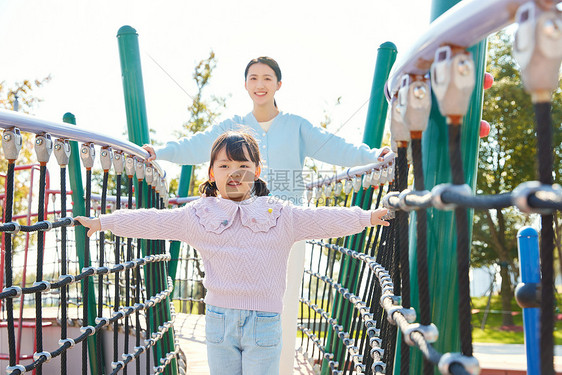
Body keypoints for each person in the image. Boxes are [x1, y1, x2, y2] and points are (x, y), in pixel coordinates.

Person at [143, 56, 390, 372]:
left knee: (280, 310)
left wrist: (372, 155)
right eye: (253, 78)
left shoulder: (296, 125)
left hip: (283, 228)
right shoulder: (231, 128)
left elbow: (335, 147)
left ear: (278, 85)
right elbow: (198, 144)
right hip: (235, 229)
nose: (260, 85)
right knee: (239, 307)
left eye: (267, 78)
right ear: (246, 84)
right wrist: (159, 152)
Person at [77, 131, 389, 375]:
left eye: (243, 166)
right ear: (212, 173)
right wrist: (105, 222)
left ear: (257, 171)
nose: (234, 173)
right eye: (225, 166)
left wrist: (367, 217)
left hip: (264, 322)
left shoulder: (280, 214)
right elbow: (154, 221)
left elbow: (322, 219)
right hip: (218, 322)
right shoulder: (197, 216)